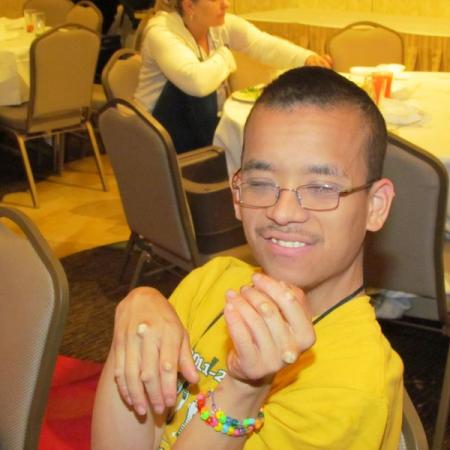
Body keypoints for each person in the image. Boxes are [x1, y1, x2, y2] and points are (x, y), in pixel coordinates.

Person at [92, 67, 403, 450]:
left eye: (322, 188)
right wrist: (139, 305)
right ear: (237, 196)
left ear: (376, 206)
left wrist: (242, 389)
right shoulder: (215, 280)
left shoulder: (351, 386)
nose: (283, 212)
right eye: (261, 183)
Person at [134, 0, 332, 154]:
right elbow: (196, 82)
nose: (226, 4)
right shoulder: (161, 32)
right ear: (189, 6)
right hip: (157, 139)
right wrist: (225, 56)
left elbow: (261, 44)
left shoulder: (216, 24)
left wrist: (306, 58)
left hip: (197, 131)